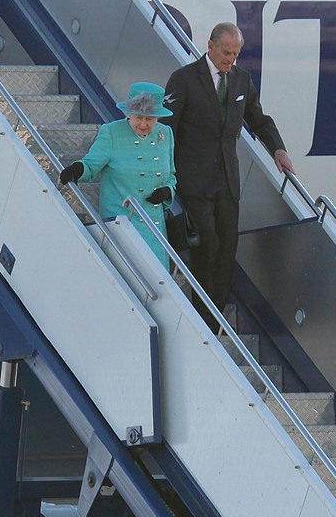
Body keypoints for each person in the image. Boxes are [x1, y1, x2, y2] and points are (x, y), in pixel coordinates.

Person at [164, 22, 295, 322]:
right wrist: (166, 173)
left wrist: (277, 148)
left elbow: (259, 119)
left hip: (227, 179)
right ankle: (201, 313)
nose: (230, 59)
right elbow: (167, 130)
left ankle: (215, 318)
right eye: (226, 52)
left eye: (235, 54)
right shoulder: (183, 79)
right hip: (193, 177)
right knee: (206, 240)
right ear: (209, 45)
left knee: (227, 246)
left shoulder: (240, 80)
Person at [59, 82, 176, 267]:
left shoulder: (165, 134)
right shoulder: (112, 132)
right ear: (129, 112)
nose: (144, 124)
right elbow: (90, 165)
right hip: (122, 224)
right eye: (139, 117)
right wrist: (77, 169)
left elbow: (171, 176)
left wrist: (167, 192)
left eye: (150, 119)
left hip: (154, 228)